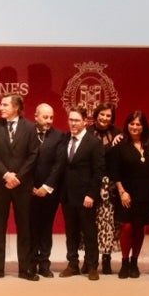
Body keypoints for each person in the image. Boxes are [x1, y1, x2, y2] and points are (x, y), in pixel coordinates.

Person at [0, 94, 39, 280]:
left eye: (6, 104)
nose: (2, 107)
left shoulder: (30, 127)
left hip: (22, 186)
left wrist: (18, 176)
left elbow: (33, 155)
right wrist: (6, 174)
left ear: (16, 107)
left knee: (25, 228)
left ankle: (26, 269)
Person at [59, 105, 106, 280]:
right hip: (67, 195)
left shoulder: (94, 143)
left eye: (77, 120)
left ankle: (92, 265)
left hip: (86, 196)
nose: (73, 123)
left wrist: (91, 194)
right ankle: (72, 264)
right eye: (71, 119)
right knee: (70, 232)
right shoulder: (64, 139)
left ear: (85, 121)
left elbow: (98, 171)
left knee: (89, 232)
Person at [111, 110, 149, 279]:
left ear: (143, 126)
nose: (135, 127)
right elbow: (114, 171)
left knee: (139, 227)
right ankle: (124, 262)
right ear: (127, 125)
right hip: (127, 193)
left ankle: (134, 262)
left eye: (138, 124)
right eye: (132, 124)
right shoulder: (120, 144)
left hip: (146, 194)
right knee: (127, 227)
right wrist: (122, 191)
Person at [28, 103, 66, 278]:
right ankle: (30, 262)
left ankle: (44, 264)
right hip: (29, 190)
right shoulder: (27, 133)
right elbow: (22, 160)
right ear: (36, 116)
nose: (49, 121)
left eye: (51, 117)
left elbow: (59, 165)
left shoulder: (59, 136)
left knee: (45, 228)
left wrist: (45, 187)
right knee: (31, 228)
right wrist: (30, 187)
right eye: (45, 117)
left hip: (49, 192)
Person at [91, 101, 121, 275]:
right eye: (102, 114)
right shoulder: (86, 132)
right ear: (96, 115)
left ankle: (107, 260)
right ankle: (90, 259)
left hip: (110, 187)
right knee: (90, 223)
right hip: (91, 184)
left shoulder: (118, 134)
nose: (104, 118)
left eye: (108, 115)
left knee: (108, 224)